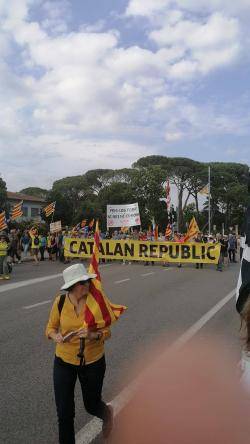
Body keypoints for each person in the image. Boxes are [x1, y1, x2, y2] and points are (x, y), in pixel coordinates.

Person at [46, 264, 113, 444]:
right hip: (64, 361)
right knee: (64, 412)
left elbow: (107, 331)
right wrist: (56, 336)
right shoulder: (60, 302)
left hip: (92, 362)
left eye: (88, 280)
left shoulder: (96, 301)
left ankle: (106, 413)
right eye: (83, 282)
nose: (88, 284)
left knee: (91, 405)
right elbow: (50, 328)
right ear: (72, 286)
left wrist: (94, 335)